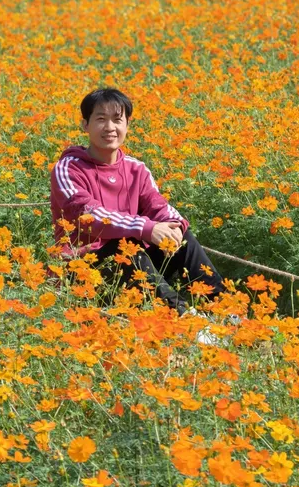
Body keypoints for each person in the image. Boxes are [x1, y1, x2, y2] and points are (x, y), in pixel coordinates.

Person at [50, 87, 227, 317]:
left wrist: (174, 226)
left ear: (127, 125)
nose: (110, 127)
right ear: (85, 125)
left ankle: (223, 308)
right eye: (101, 119)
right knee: (125, 245)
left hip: (134, 265)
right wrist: (146, 228)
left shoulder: (136, 169)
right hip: (83, 269)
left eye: (117, 120)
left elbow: (158, 206)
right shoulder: (68, 168)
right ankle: (183, 317)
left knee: (182, 237)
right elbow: (89, 215)